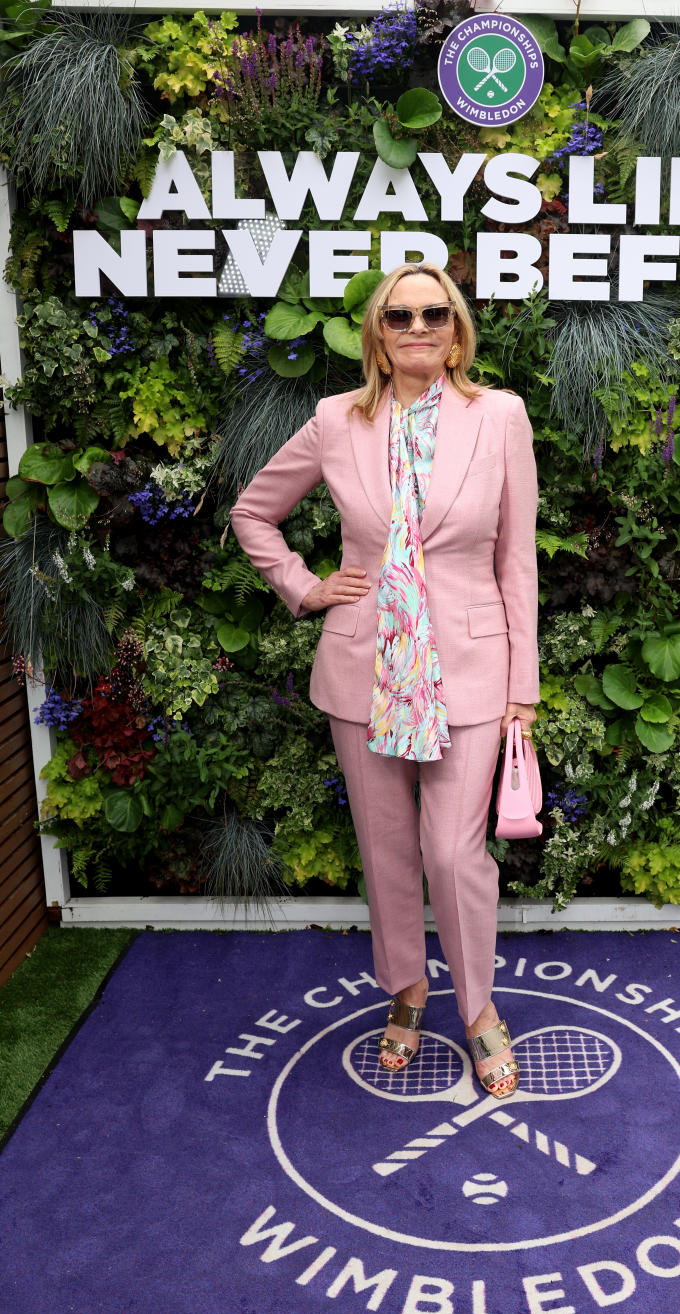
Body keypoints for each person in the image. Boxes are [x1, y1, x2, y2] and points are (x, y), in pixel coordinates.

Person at [230, 262, 540, 1098]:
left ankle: (479, 1009)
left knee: (453, 851)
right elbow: (253, 512)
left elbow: (517, 557)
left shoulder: (500, 416)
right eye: (399, 317)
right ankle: (407, 990)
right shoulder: (336, 420)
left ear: (457, 327)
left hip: (472, 670)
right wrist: (304, 584)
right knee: (389, 850)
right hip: (365, 668)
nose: (418, 328)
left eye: (435, 313)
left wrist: (524, 683)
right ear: (377, 333)